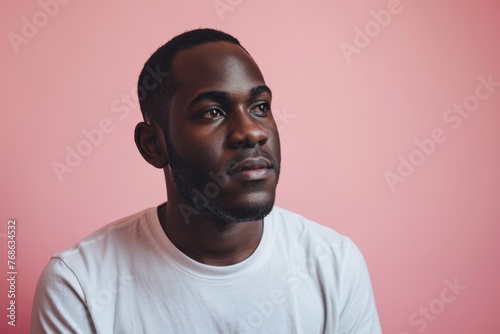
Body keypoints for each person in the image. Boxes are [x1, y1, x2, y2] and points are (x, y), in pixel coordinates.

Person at [31, 28, 382, 333]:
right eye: (211, 112)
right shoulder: (78, 285)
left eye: (260, 106)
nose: (251, 132)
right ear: (154, 146)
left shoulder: (334, 264)